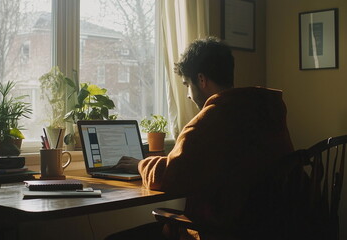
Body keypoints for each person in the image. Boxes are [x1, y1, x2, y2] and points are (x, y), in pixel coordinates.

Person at [107, 37, 294, 240]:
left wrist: (140, 165)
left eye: (187, 84)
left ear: (202, 80)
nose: (188, 94)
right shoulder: (265, 109)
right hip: (273, 226)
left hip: (224, 231)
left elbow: (170, 177)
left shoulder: (212, 119)